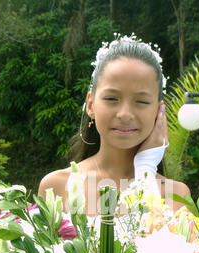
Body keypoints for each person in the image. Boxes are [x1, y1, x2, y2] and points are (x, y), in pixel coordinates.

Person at [38, 35, 190, 217]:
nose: (125, 114)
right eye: (111, 98)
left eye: (141, 101)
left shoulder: (175, 194)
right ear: (91, 104)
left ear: (159, 110)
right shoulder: (57, 186)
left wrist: (145, 169)